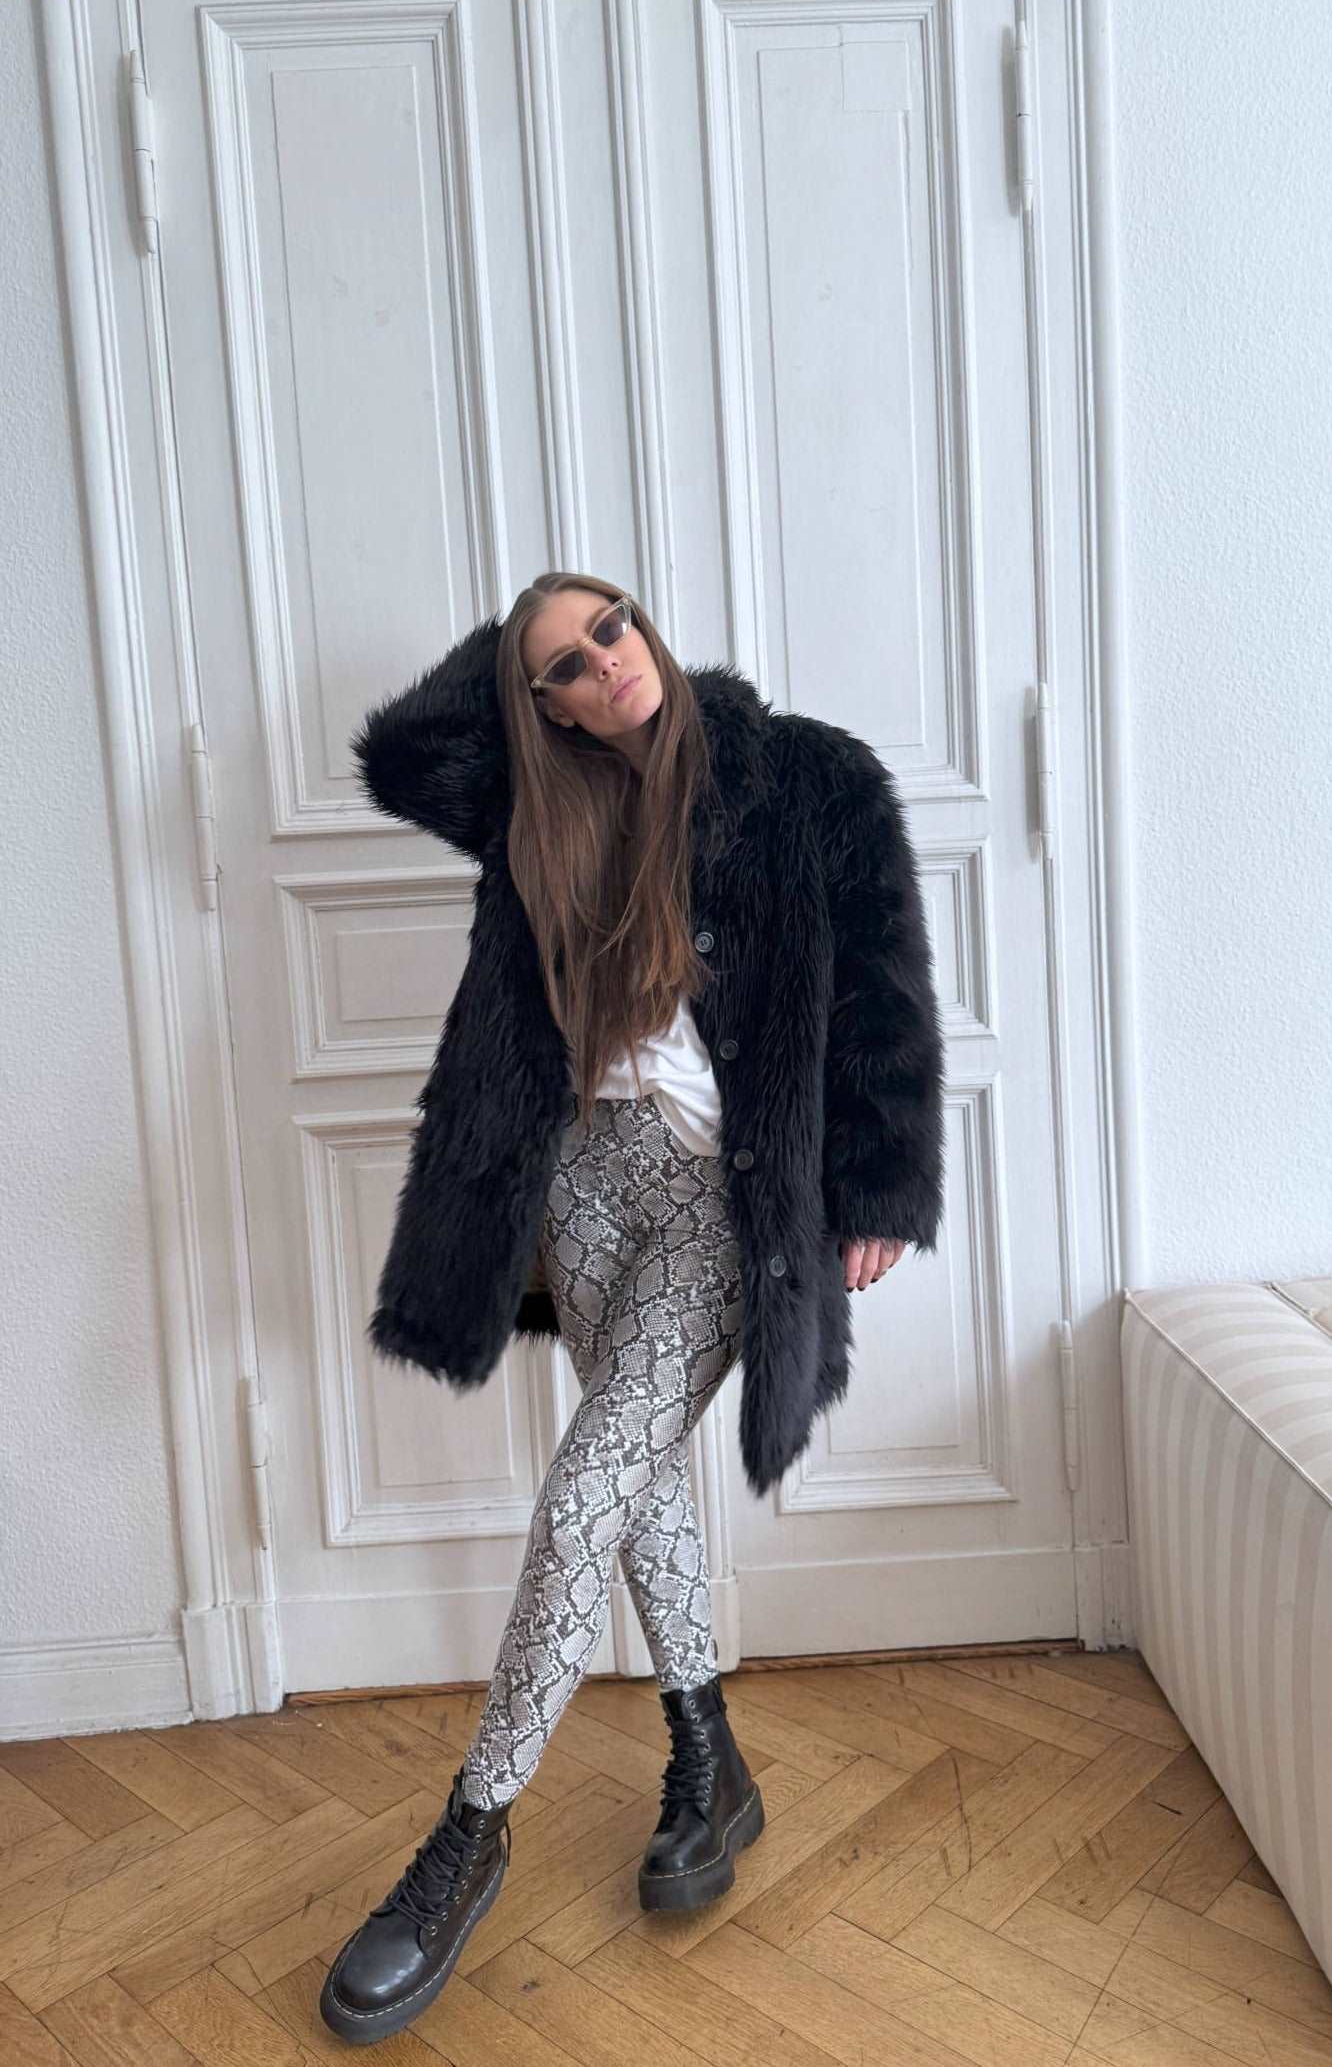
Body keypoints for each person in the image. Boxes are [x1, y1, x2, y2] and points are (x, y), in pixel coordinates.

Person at [319, 572, 944, 2046]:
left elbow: (885, 992)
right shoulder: (540, 808)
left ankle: (467, 1839)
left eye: (611, 626)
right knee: (637, 1476)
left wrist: (876, 1183)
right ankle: (708, 1761)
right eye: (565, 665)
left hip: (724, 1195)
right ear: (538, 706)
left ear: (647, 624)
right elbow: (402, 754)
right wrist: (522, 670)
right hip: (582, 1186)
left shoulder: (805, 776)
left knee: (581, 1498)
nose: (605, 663)